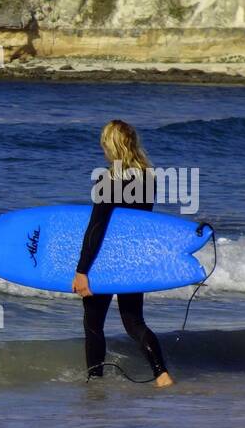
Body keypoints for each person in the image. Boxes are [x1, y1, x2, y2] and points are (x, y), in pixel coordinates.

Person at [71, 120, 174, 387]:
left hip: (104, 260)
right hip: (132, 259)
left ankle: (94, 382)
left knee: (93, 325)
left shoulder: (109, 179)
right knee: (134, 323)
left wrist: (82, 270)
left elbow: (96, 229)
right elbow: (138, 224)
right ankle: (161, 373)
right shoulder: (147, 178)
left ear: (112, 144)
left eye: (104, 141)